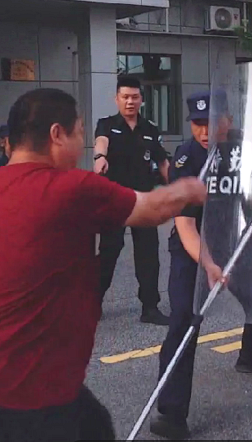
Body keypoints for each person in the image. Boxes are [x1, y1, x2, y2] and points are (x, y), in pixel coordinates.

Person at [0, 88, 206, 442]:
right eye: (79, 132)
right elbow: (155, 208)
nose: (83, 142)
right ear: (57, 134)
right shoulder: (70, 188)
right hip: (27, 393)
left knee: (95, 424)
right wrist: (194, 187)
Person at [150, 91, 252, 440]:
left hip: (234, 239)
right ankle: (171, 412)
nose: (204, 132)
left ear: (228, 121)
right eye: (197, 124)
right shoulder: (187, 158)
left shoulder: (242, 148)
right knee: (183, 320)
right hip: (193, 246)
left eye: (211, 123)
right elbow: (185, 224)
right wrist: (208, 263)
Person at [93, 75, 170, 325]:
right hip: (115, 200)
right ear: (116, 99)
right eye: (125, 97)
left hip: (143, 200)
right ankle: (92, 303)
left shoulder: (150, 129)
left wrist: (177, 187)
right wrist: (100, 157)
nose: (130, 102)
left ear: (141, 100)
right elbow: (101, 142)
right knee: (109, 251)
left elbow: (162, 161)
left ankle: (150, 308)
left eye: (134, 97)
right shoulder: (107, 125)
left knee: (148, 254)